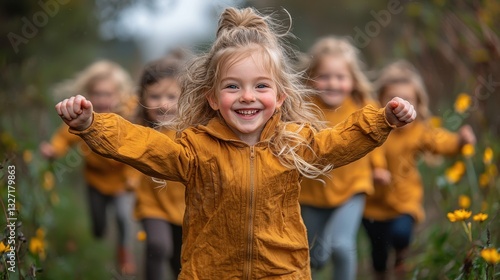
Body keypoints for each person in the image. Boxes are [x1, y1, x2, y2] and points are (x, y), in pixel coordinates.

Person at [54, 7, 416, 279]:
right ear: (212, 97)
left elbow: (338, 142)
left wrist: (382, 119)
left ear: (280, 96)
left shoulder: (293, 143)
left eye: (261, 86)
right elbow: (145, 144)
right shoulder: (194, 149)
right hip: (210, 271)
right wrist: (91, 124)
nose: (247, 97)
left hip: (283, 271)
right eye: (232, 86)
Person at [361, 60, 476, 280]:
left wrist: (460, 141)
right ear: (381, 101)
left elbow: (442, 142)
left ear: (416, 104)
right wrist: (375, 170)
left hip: (405, 200)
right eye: (393, 100)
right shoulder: (371, 128)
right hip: (372, 204)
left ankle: (402, 257)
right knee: (378, 252)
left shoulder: (420, 132)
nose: (401, 106)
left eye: (408, 100)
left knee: (400, 235)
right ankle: (380, 274)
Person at [297, 36, 385, 280]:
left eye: (340, 77)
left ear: (353, 80)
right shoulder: (303, 106)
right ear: (310, 77)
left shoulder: (363, 105)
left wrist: (378, 167)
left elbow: (375, 139)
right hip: (312, 191)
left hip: (352, 187)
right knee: (313, 256)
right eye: (324, 76)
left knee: (341, 245)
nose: (332, 83)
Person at [39, 60, 138, 275]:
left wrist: (134, 177)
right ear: (88, 94)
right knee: (98, 228)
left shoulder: (129, 114)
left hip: (124, 180)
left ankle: (124, 250)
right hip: (95, 180)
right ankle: (101, 233)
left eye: (108, 94)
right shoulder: (84, 117)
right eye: (97, 93)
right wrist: (53, 150)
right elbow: (64, 137)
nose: (102, 99)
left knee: (123, 216)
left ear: (120, 94)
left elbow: (141, 141)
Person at [133, 51, 189, 280]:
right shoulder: (140, 129)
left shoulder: (192, 131)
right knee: (158, 246)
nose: (163, 104)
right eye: (155, 97)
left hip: (187, 207)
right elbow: (124, 152)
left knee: (181, 260)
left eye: (171, 96)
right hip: (152, 204)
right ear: (142, 98)